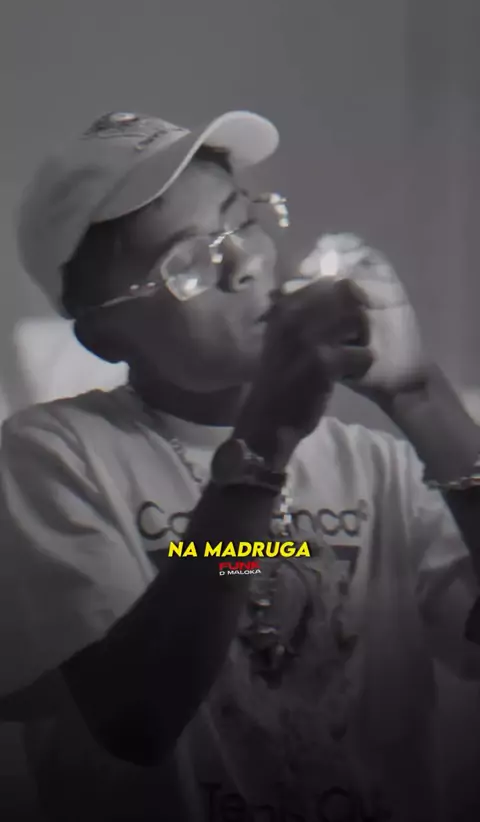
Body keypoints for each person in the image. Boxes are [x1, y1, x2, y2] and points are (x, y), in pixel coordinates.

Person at [0, 107, 480, 822]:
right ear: (104, 335)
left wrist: (421, 397)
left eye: (243, 221)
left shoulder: (374, 467)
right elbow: (137, 716)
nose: (248, 263)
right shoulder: (54, 459)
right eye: (187, 263)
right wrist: (263, 449)